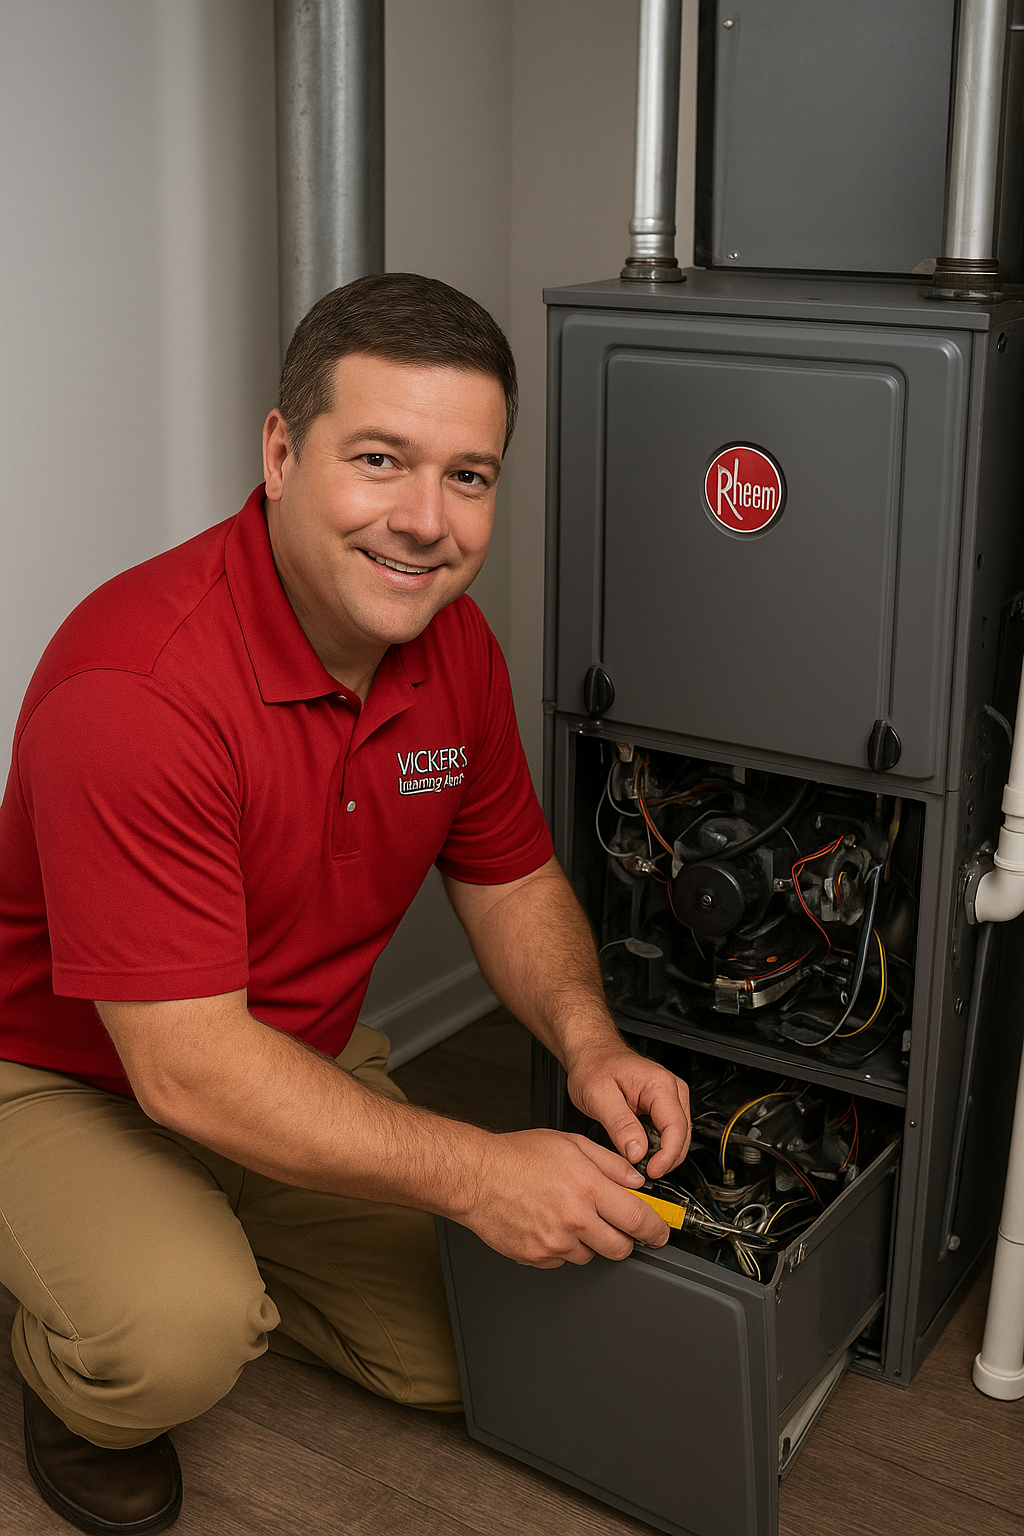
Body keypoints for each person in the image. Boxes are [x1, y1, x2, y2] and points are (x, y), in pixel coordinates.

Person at [0, 272, 690, 1535]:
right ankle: (78, 1340)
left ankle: (202, 1235)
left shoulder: (454, 649)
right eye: (380, 459)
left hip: (294, 1058)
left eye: (468, 476)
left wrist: (593, 1046)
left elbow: (513, 878)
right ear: (278, 452)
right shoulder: (136, 687)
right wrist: (477, 1174)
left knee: (486, 1351)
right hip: (66, 1077)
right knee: (172, 1340)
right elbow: (189, 1072)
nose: (425, 522)